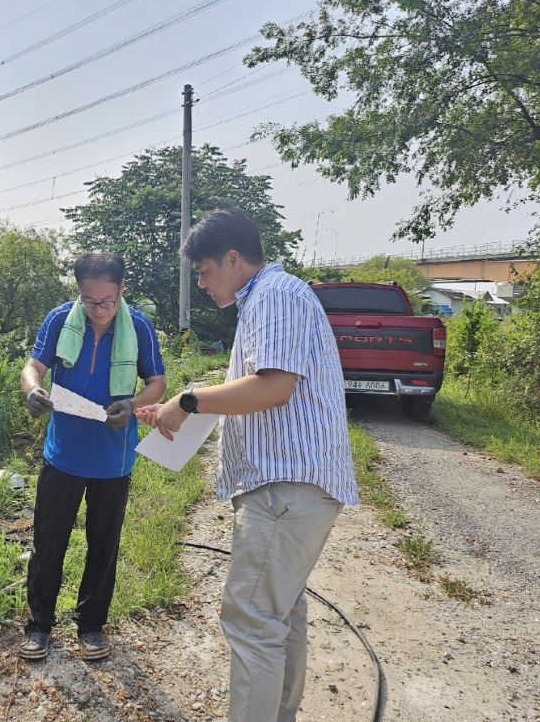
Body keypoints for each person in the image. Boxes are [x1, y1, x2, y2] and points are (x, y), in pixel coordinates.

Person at [137, 209, 358, 722]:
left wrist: (188, 399)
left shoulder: (275, 295)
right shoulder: (274, 297)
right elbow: (257, 389)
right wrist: (184, 408)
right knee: (279, 614)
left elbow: (274, 387)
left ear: (233, 259)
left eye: (204, 271)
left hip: (285, 489)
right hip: (293, 488)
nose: (202, 282)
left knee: (253, 619)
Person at [19, 252, 166, 661]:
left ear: (121, 290)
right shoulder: (60, 319)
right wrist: (32, 390)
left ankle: (91, 626)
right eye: (88, 301)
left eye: (106, 301)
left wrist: (133, 404)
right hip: (62, 454)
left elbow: (157, 382)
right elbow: (34, 366)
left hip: (112, 459)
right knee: (48, 543)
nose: (97, 311)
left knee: (104, 545)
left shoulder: (139, 326)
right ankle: (39, 626)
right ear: (79, 293)